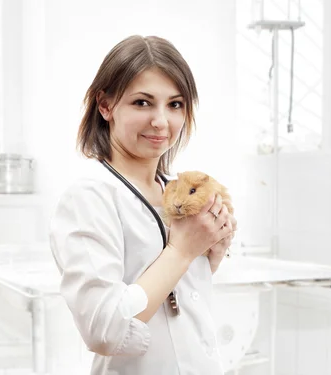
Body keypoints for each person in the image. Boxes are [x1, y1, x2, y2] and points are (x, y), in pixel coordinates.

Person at [49, 35, 237, 375]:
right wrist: (182, 250)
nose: (161, 122)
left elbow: (180, 299)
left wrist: (212, 250)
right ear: (105, 105)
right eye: (142, 103)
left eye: (175, 104)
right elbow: (104, 330)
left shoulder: (177, 191)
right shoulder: (89, 198)